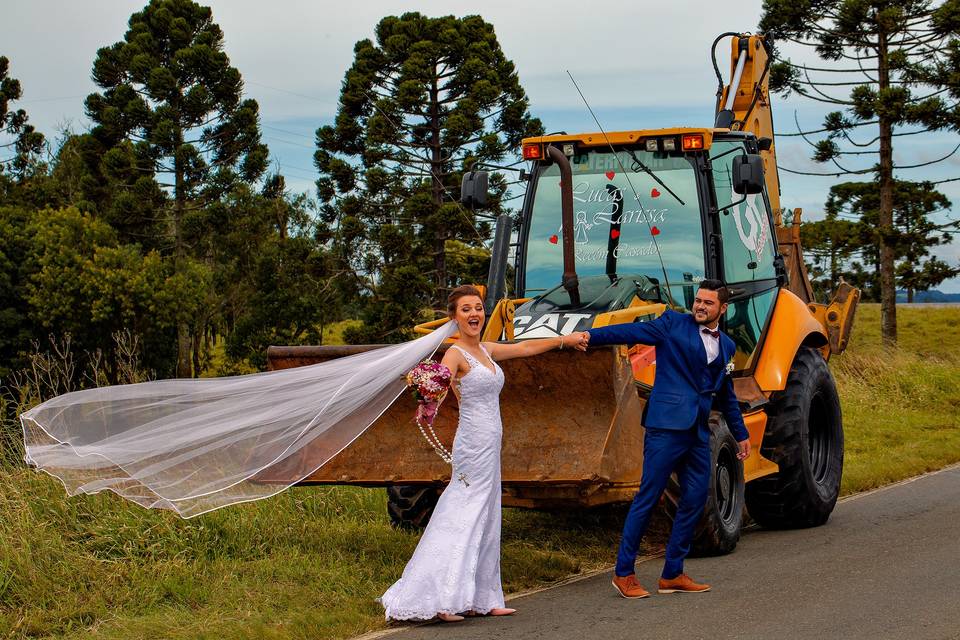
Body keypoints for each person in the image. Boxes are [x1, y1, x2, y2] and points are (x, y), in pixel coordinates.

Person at [380, 284, 582, 623]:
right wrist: (429, 401)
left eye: (477, 307)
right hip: (472, 444)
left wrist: (566, 341)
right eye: (466, 309)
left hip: (491, 443)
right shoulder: (455, 354)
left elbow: (527, 348)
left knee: (488, 513)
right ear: (455, 318)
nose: (474, 314)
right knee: (465, 510)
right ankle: (442, 598)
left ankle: (483, 598)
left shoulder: (487, 351)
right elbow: (440, 389)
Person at [573, 279, 750, 598]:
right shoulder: (671, 324)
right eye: (698, 300)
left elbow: (725, 393)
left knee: (696, 497)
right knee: (649, 496)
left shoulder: (727, 346)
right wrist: (591, 335)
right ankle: (624, 572)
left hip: (698, 431)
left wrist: (741, 434)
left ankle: (673, 573)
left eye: (708, 303)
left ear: (722, 309)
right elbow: (629, 332)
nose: (700, 306)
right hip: (666, 427)